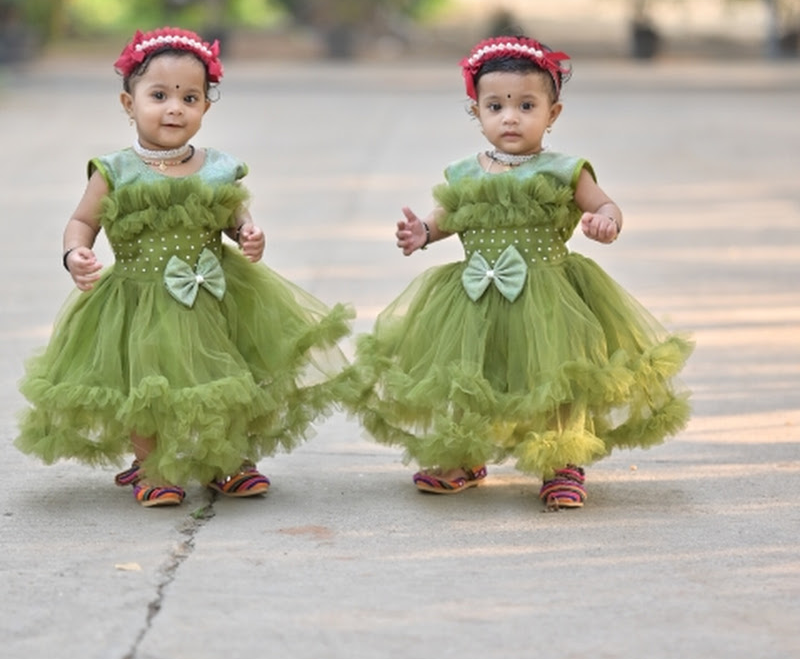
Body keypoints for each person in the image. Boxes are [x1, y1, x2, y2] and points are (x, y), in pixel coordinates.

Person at [350, 35, 693, 509]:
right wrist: (423, 233)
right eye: (496, 106)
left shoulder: (566, 171)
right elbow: (449, 216)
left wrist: (606, 220)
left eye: (526, 105)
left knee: (556, 376)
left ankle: (561, 461)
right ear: (477, 112)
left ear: (553, 113)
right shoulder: (463, 174)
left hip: (548, 292)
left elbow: (605, 203)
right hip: (474, 295)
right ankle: (465, 455)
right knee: (467, 374)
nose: (510, 117)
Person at [16, 26, 353, 507]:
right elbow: (81, 221)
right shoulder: (114, 170)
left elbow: (237, 219)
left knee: (227, 378)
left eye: (189, 97)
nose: (174, 107)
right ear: (128, 104)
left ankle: (228, 459)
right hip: (139, 297)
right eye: (158, 95)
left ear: (205, 108)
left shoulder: (219, 168)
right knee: (146, 386)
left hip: (214, 294)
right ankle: (153, 467)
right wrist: (76, 253)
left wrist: (249, 236)